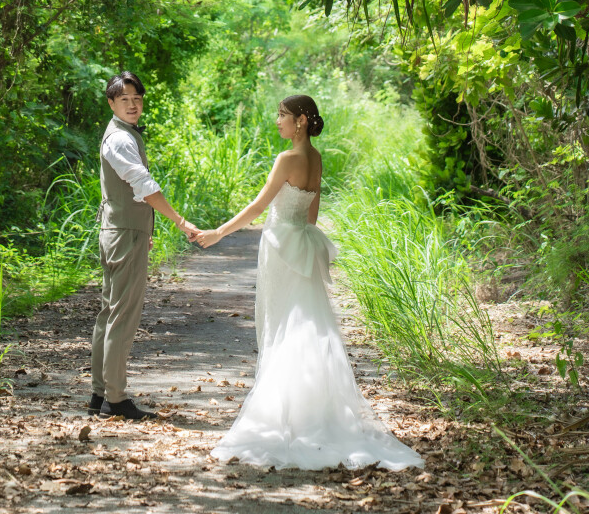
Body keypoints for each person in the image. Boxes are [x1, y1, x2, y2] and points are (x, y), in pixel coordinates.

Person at [195, 95, 423, 471]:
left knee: (282, 324)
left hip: (280, 247)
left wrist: (218, 232)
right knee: (304, 323)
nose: (277, 121)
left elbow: (258, 207)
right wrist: (301, 235)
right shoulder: (315, 158)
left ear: (300, 120)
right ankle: (311, 413)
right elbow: (312, 213)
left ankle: (284, 416)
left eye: (282, 115)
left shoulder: (286, 159)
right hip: (301, 243)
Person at [89, 70, 199, 421]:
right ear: (111, 103)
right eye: (125, 99)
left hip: (119, 230)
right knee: (121, 316)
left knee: (110, 313)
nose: (133, 105)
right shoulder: (121, 139)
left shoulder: (121, 134)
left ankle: (100, 394)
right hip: (124, 235)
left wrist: (144, 227)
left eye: (137, 99)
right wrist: (179, 220)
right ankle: (115, 399)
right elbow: (143, 185)